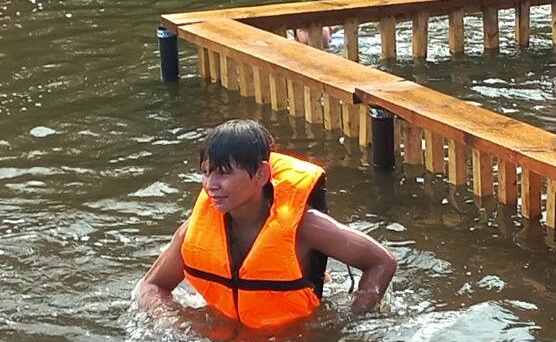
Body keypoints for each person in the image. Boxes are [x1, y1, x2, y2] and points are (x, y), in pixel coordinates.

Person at [135, 119, 398, 328]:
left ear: (262, 174)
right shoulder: (193, 231)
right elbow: (150, 286)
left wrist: (350, 322)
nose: (210, 185)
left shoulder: (306, 226)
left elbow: (382, 262)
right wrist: (175, 325)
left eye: (224, 173)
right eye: (205, 172)